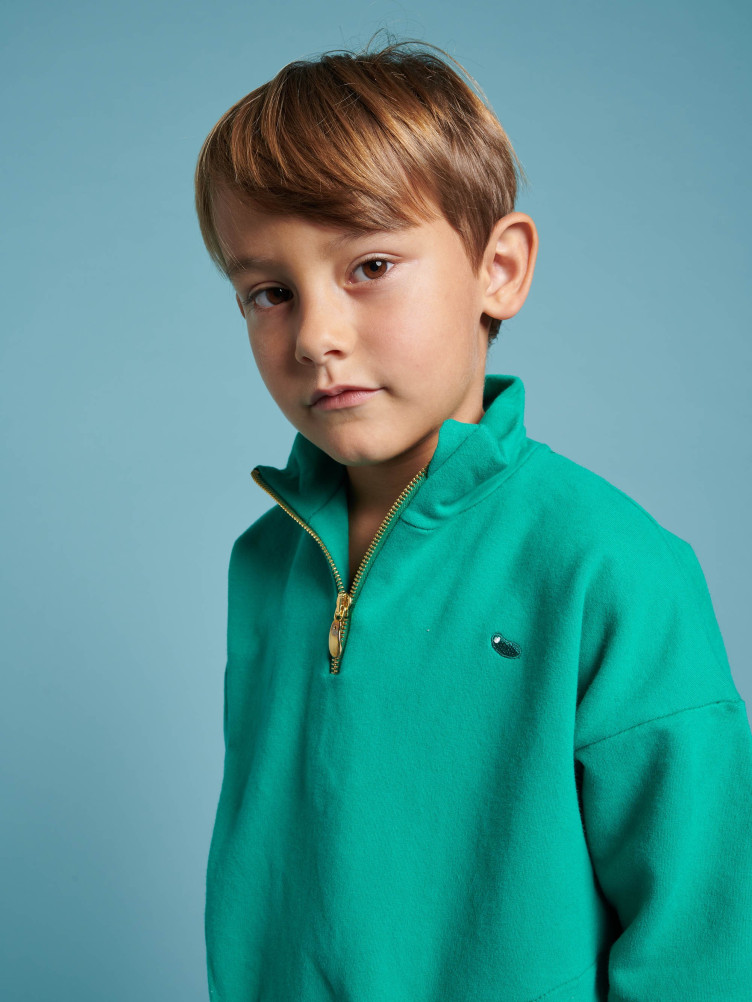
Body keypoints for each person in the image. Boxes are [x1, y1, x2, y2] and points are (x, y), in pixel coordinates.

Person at [193, 35, 752, 1002]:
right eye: (270, 293)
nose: (316, 336)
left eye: (369, 265)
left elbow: (705, 934)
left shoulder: (608, 567)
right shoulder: (267, 561)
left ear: (500, 268)